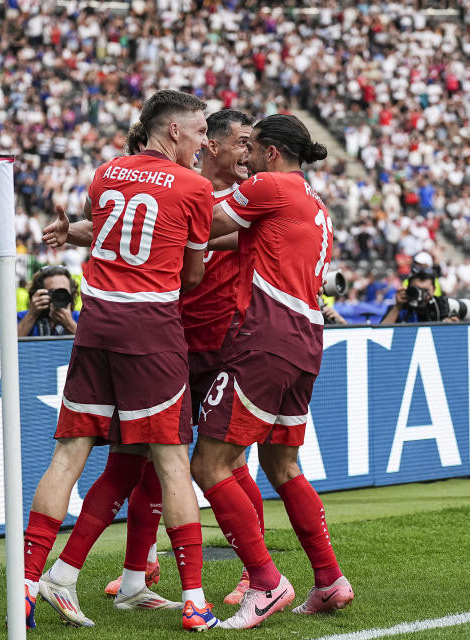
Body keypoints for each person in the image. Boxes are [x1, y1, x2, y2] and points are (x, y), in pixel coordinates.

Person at [41, 110, 264, 611]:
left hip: (213, 342)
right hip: (164, 337)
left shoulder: (253, 194)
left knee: (217, 462)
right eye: (238, 143)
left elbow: (126, 224)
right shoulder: (195, 187)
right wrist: (76, 230)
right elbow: (141, 234)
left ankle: (249, 574)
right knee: (153, 464)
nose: (245, 154)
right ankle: (144, 576)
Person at [22, 89, 219, 632]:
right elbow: (193, 275)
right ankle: (198, 598)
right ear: (173, 130)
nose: (204, 142)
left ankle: (31, 580)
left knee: (69, 454)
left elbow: (112, 230)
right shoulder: (196, 186)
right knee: (173, 461)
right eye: (200, 131)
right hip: (150, 330)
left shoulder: (107, 173)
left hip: (95, 322)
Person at [191, 114, 354, 629]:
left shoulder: (269, 186)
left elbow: (201, 225)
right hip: (304, 340)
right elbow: (227, 242)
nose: (244, 157)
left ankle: (264, 580)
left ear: (273, 152)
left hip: (265, 338)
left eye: (252, 149)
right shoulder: (310, 201)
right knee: (284, 467)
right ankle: (329, 580)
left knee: (209, 465)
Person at [17, 266, 80, 336]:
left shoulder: (80, 318)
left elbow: (91, 345)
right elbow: (8, 345)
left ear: (71, 294)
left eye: (64, 292)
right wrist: (32, 315)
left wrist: (70, 325)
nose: (59, 296)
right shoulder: (22, 318)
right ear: (40, 294)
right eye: (53, 292)